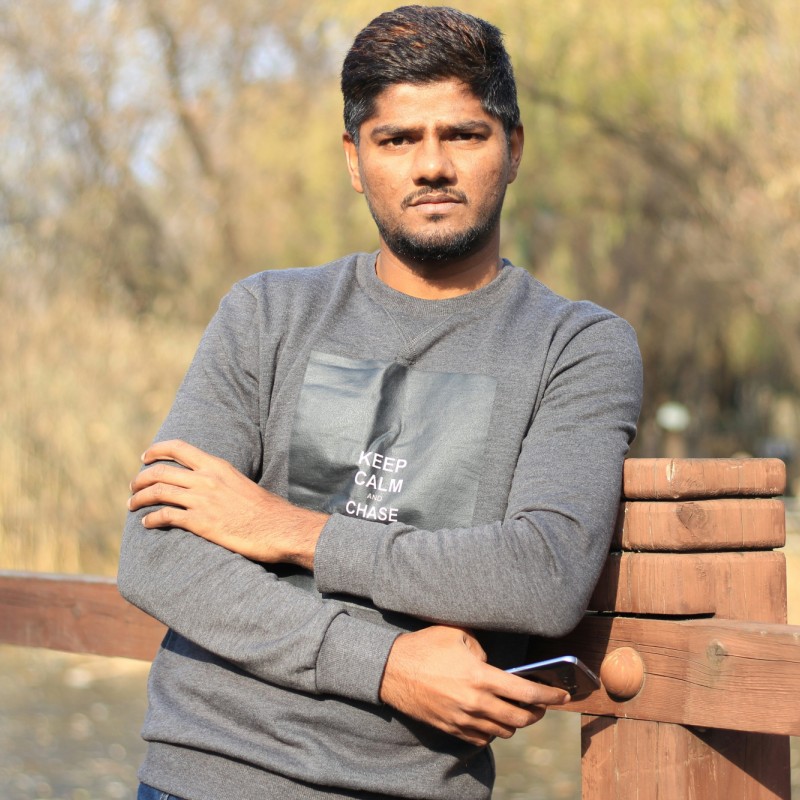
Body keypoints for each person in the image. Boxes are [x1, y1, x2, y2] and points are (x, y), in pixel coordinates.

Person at [119, 6, 642, 800]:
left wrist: (289, 531)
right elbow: (158, 554)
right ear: (355, 159)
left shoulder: (576, 346)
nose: (431, 165)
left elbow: (542, 571)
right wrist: (385, 665)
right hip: (203, 775)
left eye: (463, 135)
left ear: (514, 148)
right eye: (397, 140)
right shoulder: (267, 313)